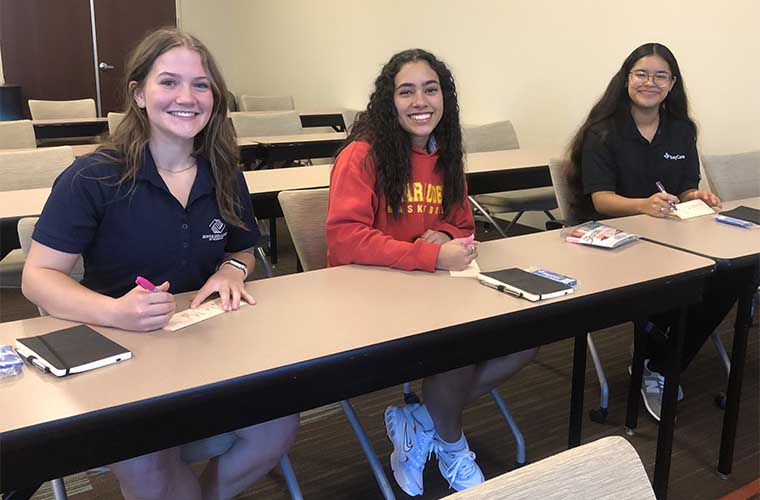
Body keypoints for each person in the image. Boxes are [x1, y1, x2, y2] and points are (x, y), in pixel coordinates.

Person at [21, 29, 298, 500]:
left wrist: (232, 270)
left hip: (208, 343)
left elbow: (243, 248)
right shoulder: (93, 176)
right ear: (138, 94)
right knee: (148, 456)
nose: (186, 97)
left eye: (201, 85)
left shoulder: (225, 172)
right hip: (119, 351)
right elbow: (37, 278)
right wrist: (114, 312)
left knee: (279, 424)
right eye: (168, 82)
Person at [325, 48, 536, 495]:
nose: (420, 101)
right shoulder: (362, 157)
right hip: (366, 296)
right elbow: (345, 239)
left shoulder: (446, 155)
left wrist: (442, 233)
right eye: (407, 91)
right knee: (456, 346)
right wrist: (430, 257)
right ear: (389, 100)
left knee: (524, 337)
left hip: (431, 289)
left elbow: (461, 224)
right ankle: (451, 441)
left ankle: (418, 419)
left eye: (430, 89)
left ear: (445, 98)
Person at [565, 42, 741, 421]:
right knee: (675, 285)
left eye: (661, 75)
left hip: (670, 233)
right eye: (642, 73)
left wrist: (697, 195)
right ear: (626, 78)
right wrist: (642, 205)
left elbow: (682, 189)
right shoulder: (603, 132)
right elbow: (601, 200)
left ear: (672, 83)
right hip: (616, 238)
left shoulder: (681, 130)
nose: (650, 82)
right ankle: (658, 359)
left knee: (732, 276)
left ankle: (657, 362)